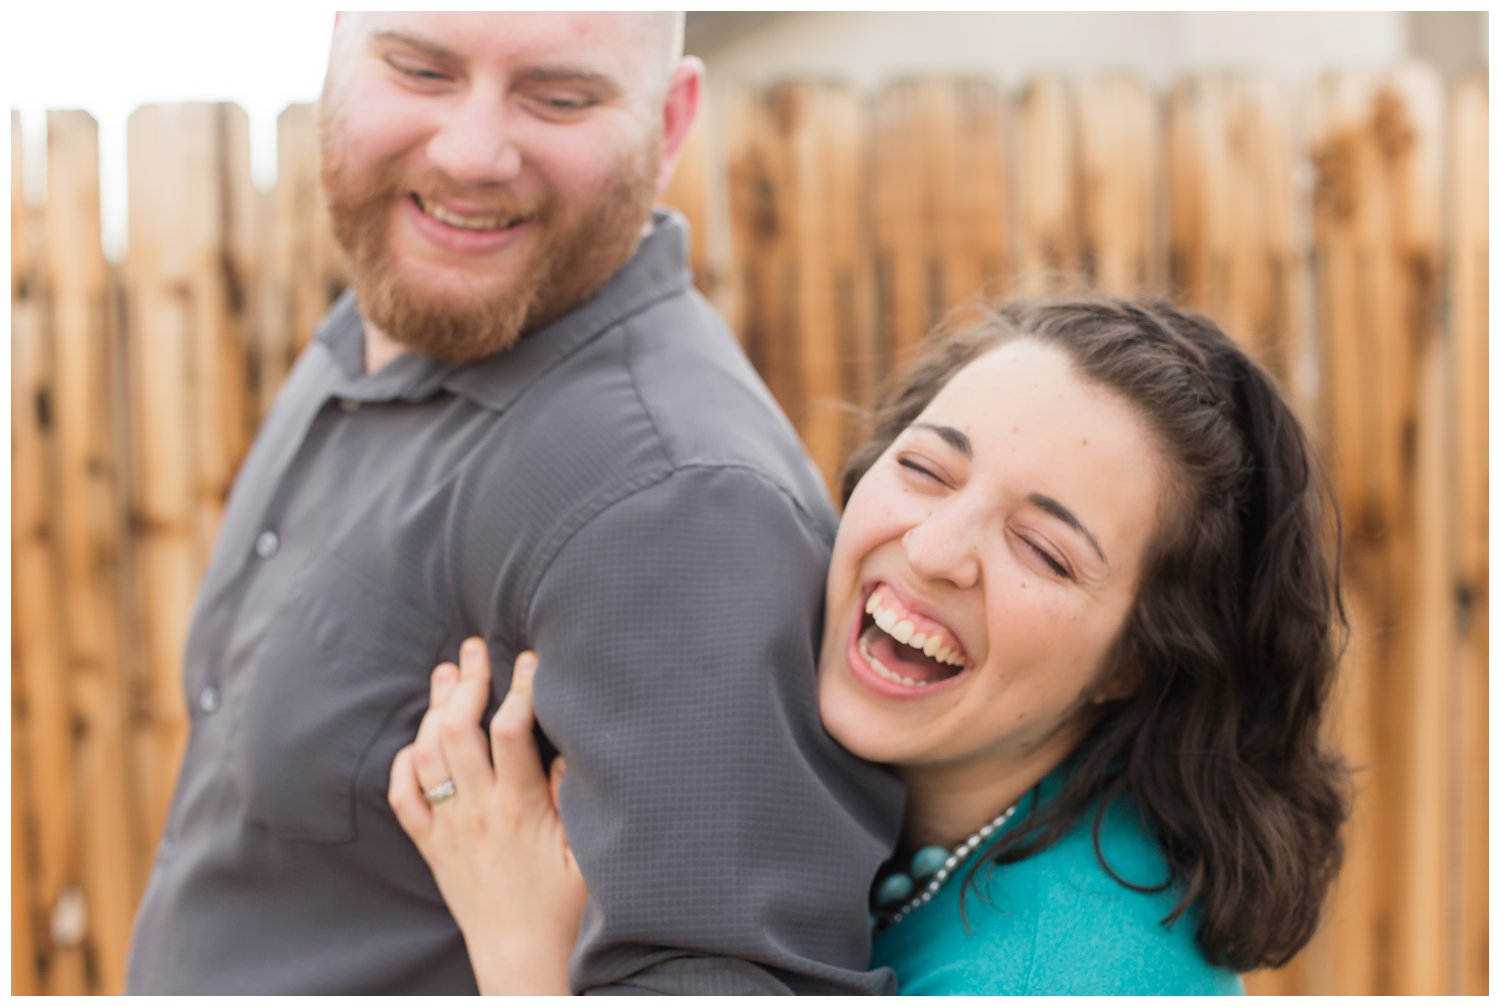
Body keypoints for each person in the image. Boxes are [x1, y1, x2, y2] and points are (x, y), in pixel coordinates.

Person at [125, 12, 903, 995]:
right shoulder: (379, 324)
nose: (472, 153)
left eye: (559, 96)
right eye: (419, 69)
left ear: (669, 124)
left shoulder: (671, 502)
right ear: (331, 60)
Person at [391, 296, 1352, 994]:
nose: (934, 551)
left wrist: (522, 956)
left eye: (1043, 550)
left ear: (1135, 658)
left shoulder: (1063, 975)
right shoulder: (966, 810)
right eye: (929, 469)